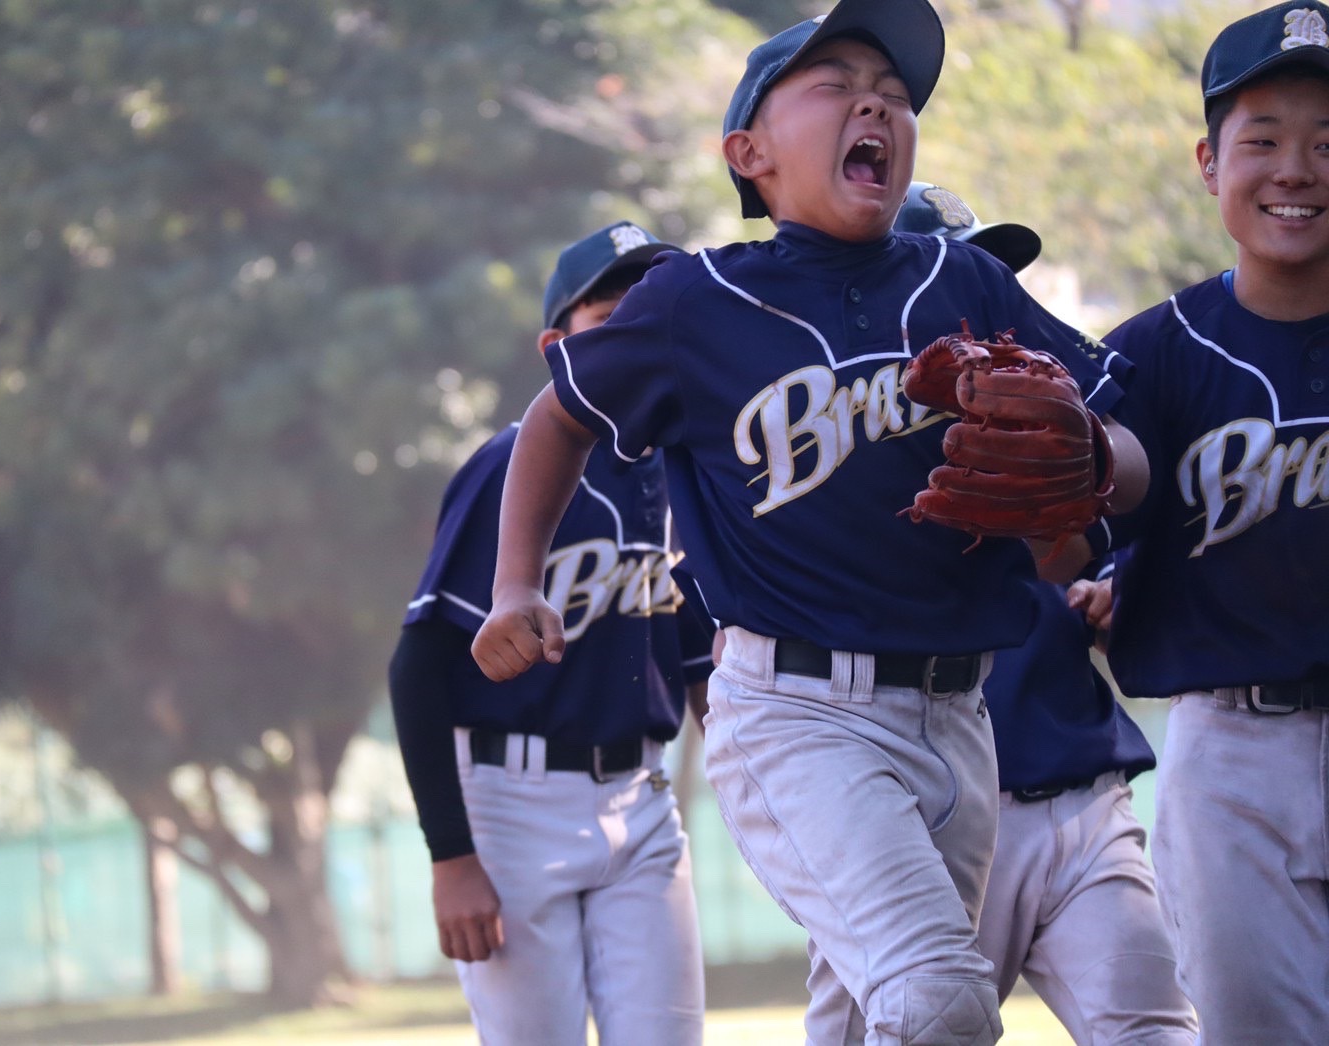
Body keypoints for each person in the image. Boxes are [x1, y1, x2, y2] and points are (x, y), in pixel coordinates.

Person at [470, 3, 1150, 1042]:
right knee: (936, 997)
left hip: (957, 717)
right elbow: (556, 415)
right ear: (749, 155)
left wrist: (1098, 461)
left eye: (890, 91)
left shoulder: (960, 278)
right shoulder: (690, 302)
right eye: (833, 84)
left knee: (883, 1017)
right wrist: (515, 580)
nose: (873, 100)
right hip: (795, 710)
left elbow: (1122, 444)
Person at [803, 186, 1197, 1045]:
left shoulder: (1034, 436)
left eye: (998, 277)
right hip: (913, 821)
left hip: (1078, 797)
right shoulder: (839, 477)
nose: (990, 305)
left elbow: (1078, 549)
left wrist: (1104, 556)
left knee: (1155, 1032)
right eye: (966, 276)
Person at [387, 220, 713, 1046]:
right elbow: (419, 663)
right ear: (554, 346)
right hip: (512, 805)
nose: (635, 336)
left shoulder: (688, 469)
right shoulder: (510, 465)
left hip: (642, 803)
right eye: (610, 317)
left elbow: (704, 663)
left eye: (652, 313)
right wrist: (450, 856)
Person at [1076, 4, 1329, 1039]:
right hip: (1230, 754)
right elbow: (1084, 522)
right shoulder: (1151, 353)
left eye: (1325, 142)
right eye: (1261, 138)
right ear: (1206, 160)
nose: (1294, 169)